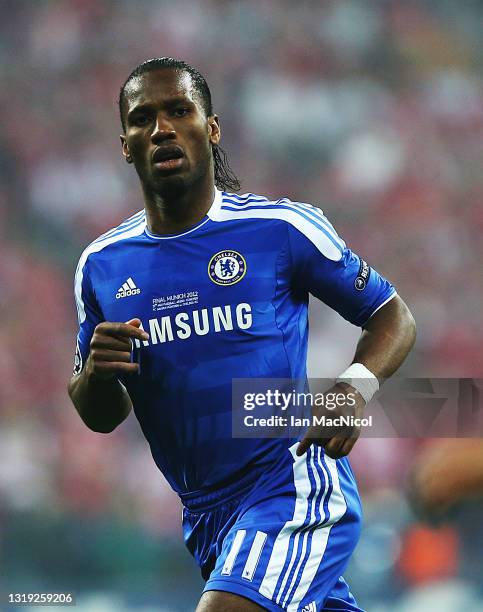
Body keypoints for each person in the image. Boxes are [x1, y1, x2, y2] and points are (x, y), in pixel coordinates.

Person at [68, 57, 416, 612]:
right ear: (126, 144)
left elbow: (393, 316)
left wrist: (354, 389)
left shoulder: (279, 229)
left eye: (180, 111)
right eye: (143, 118)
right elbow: (101, 413)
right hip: (207, 516)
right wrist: (95, 375)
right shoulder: (102, 265)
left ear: (211, 128)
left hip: (291, 482)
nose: (161, 128)